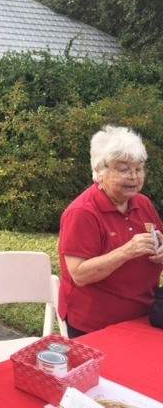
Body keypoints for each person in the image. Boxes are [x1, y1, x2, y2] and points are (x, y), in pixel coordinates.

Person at [58, 125, 163, 337]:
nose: (134, 176)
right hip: (96, 325)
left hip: (143, 316)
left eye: (139, 168)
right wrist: (127, 251)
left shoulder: (142, 203)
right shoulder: (82, 212)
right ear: (100, 171)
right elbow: (79, 274)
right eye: (124, 169)